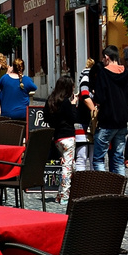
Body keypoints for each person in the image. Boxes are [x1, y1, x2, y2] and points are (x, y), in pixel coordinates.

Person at [90, 46, 128, 172]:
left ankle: (103, 188)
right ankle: (119, 189)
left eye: (103, 58)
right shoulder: (126, 72)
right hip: (122, 121)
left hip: (107, 120)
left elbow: (100, 97)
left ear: (107, 57)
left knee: (98, 159)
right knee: (118, 158)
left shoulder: (103, 73)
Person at [44, 76, 77, 209]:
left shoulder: (51, 100)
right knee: (67, 167)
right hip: (68, 137)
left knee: (68, 164)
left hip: (57, 138)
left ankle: (59, 194)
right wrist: (74, 105)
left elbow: (47, 118)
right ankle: (64, 195)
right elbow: (73, 118)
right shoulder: (66, 102)